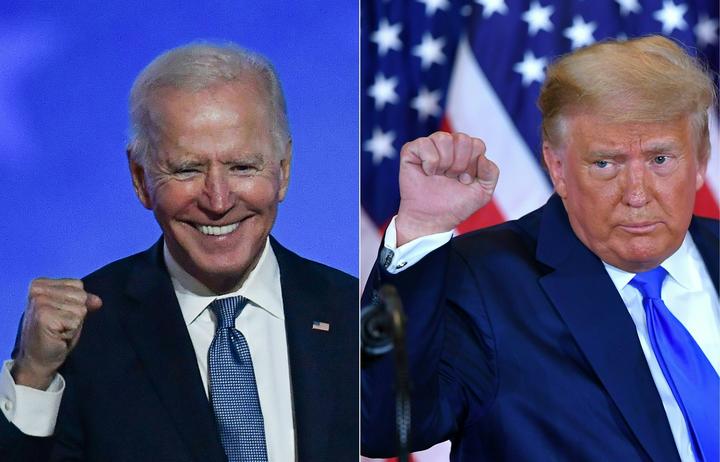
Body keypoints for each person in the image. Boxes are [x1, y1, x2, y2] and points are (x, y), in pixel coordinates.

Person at [362, 35, 718, 462]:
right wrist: (422, 227)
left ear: (700, 160)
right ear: (557, 167)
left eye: (661, 159)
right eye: (605, 163)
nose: (637, 194)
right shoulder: (483, 281)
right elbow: (382, 426)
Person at [0, 42, 357, 461]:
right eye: (187, 169)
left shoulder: (354, 313)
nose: (218, 200)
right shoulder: (84, 334)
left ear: (283, 170)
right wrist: (34, 378)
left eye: (242, 166)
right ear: (140, 177)